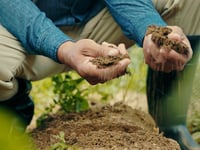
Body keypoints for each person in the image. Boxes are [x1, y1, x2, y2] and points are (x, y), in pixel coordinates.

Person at [0, 0, 199, 149]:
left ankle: (172, 125)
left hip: (97, 17)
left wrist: (152, 31)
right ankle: (12, 111)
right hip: (19, 27)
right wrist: (63, 48)